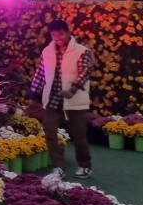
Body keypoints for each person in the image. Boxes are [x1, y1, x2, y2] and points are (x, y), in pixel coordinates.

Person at [28, 19, 95, 178]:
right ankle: (58, 165)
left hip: (75, 102)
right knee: (49, 133)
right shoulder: (47, 51)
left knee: (78, 135)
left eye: (60, 34)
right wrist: (33, 96)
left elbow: (85, 72)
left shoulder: (82, 51)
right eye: (53, 35)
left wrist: (73, 89)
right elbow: (40, 74)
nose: (57, 38)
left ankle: (85, 165)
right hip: (52, 100)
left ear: (68, 32)